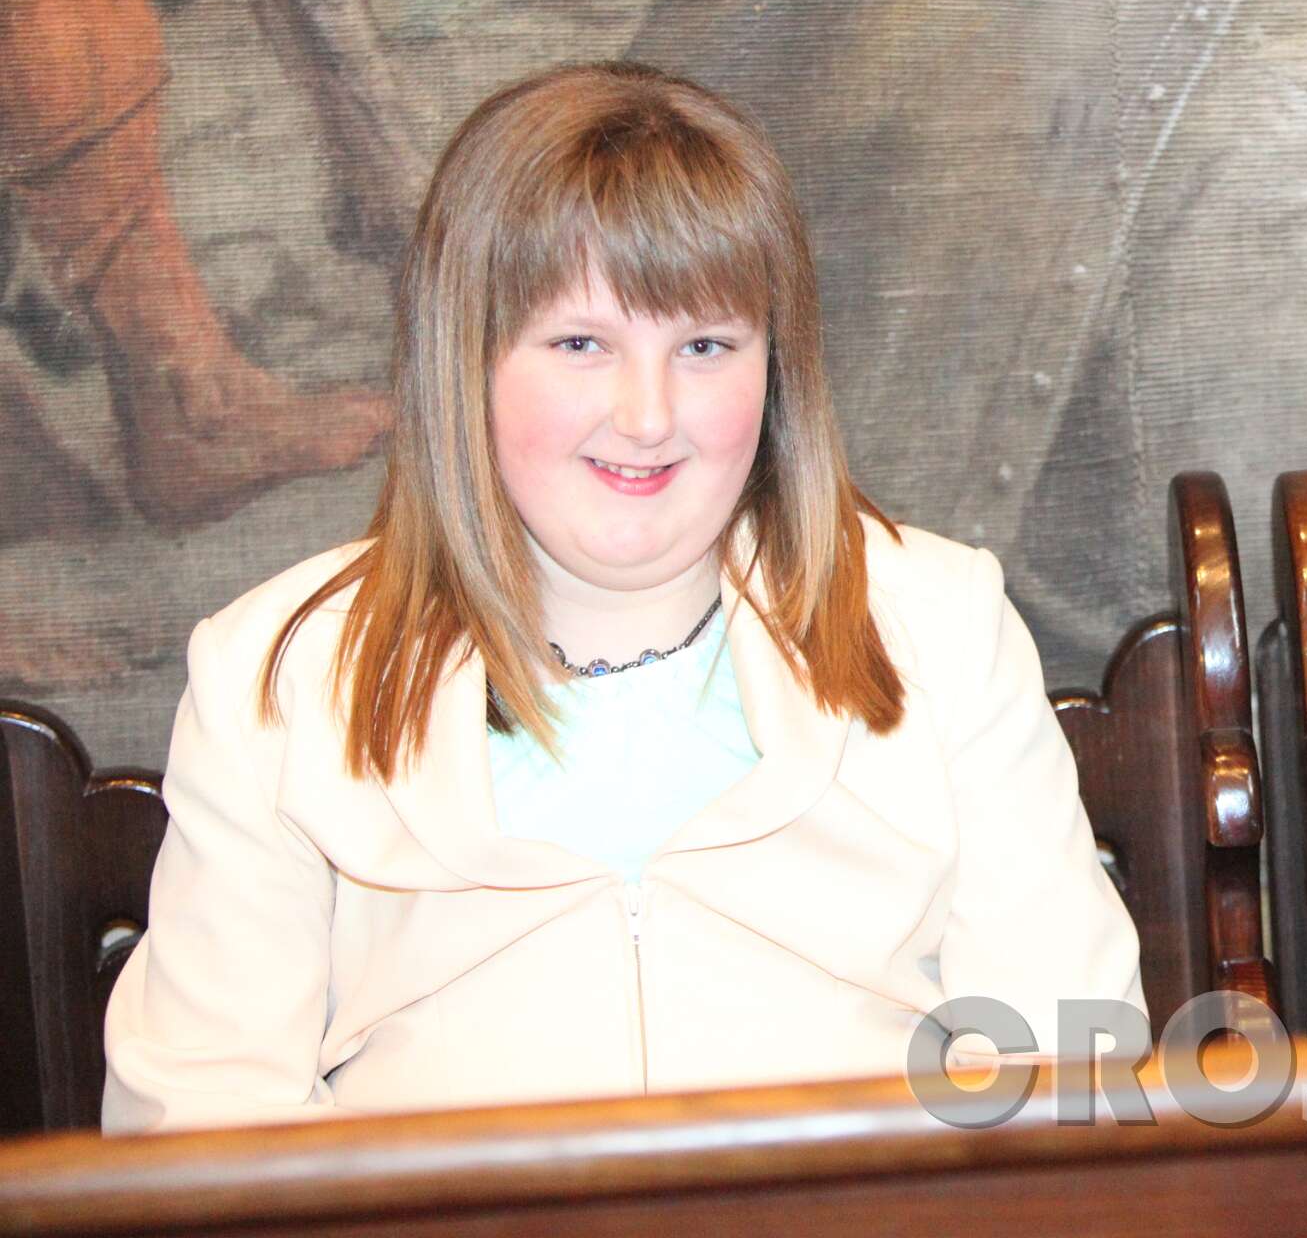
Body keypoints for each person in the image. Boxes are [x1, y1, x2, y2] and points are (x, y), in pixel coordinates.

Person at [102, 62, 1141, 1131]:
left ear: (776, 368)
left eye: (704, 346)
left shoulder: (943, 627)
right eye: (581, 344)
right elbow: (200, 1132)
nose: (647, 417)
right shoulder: (272, 683)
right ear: (465, 360)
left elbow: (1077, 1086)